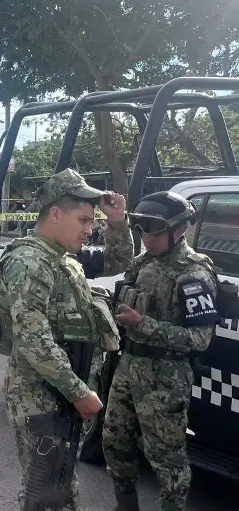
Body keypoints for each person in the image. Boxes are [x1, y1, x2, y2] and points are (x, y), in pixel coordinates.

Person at [0, 168, 133, 510]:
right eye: (84, 220)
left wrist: (118, 221)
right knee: (50, 494)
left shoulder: (61, 258)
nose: (90, 229)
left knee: (57, 489)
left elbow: (120, 260)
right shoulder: (29, 262)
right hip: (44, 400)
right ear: (55, 213)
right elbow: (32, 339)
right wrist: (80, 392)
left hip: (61, 397)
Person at [102, 191, 220, 511]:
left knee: (167, 460)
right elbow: (115, 261)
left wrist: (144, 324)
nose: (147, 238)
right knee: (114, 443)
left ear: (179, 229)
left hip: (166, 377)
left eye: (154, 230)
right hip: (129, 366)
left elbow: (200, 339)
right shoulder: (142, 263)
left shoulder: (193, 272)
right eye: (141, 229)